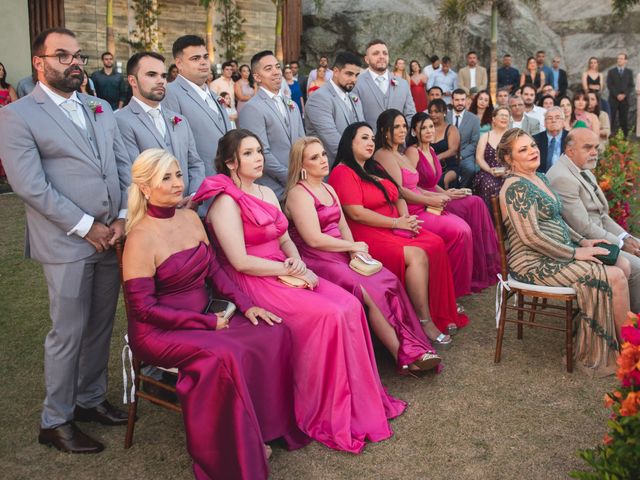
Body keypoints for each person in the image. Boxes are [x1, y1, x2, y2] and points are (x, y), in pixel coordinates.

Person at [194, 129, 407, 453]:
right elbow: (239, 261)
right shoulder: (224, 203)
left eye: (258, 151)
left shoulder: (266, 192)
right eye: (248, 153)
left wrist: (297, 262)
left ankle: (360, 403)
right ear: (230, 163)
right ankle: (325, 409)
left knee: (349, 304)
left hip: (287, 269)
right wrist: (286, 269)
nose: (258, 158)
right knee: (329, 315)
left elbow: (284, 237)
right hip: (256, 280)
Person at [122, 149, 308, 479]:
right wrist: (206, 322)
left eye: (178, 174)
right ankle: (239, 449)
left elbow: (216, 272)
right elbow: (143, 309)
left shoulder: (191, 217)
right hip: (160, 331)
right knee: (226, 354)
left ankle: (269, 428)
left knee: (272, 331)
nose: (178, 183)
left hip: (208, 316)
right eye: (166, 177)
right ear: (145, 188)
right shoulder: (139, 237)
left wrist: (249, 306)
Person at [0, 28, 131, 453]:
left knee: (100, 327)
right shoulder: (17, 115)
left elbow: (121, 165)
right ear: (39, 62)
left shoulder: (100, 107)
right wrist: (85, 225)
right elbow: (30, 186)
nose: (74, 62)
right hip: (67, 242)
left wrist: (124, 217)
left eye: (78, 55)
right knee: (68, 333)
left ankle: (91, 400)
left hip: (111, 236)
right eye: (62, 56)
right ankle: (55, 421)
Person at [284, 137, 442, 371]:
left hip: (342, 251)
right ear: (302, 164)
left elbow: (343, 226)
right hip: (318, 257)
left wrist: (354, 251)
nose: (322, 161)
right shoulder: (299, 194)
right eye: (314, 158)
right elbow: (313, 239)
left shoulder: (328, 188)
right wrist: (352, 247)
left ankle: (415, 345)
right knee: (369, 291)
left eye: (323, 155)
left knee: (388, 279)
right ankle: (406, 356)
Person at [499, 128, 631, 376]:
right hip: (533, 263)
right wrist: (575, 254)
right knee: (614, 276)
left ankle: (615, 340)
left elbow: (558, 221)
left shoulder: (540, 178)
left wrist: (582, 242)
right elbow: (532, 237)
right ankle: (628, 351)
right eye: (523, 149)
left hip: (558, 252)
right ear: (509, 159)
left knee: (621, 264)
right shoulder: (515, 187)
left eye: (532, 146)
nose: (532, 151)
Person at [328, 122, 467, 339]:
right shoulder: (342, 172)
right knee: (417, 254)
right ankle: (423, 321)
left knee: (436, 243)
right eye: (364, 138)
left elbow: (399, 195)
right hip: (367, 232)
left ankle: (440, 310)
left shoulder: (374, 167)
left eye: (371, 139)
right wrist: (395, 224)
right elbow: (355, 213)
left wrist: (405, 218)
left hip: (395, 224)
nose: (370, 143)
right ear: (349, 141)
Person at [374, 109, 473, 298]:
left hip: (422, 205)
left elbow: (416, 186)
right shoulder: (384, 155)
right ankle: (446, 292)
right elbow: (400, 192)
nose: (402, 130)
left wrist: (439, 196)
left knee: (463, 228)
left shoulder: (401, 154)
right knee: (458, 231)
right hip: (411, 211)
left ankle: (454, 289)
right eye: (397, 127)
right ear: (385, 131)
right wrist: (430, 199)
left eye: (404, 125)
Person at [547, 128, 640, 313]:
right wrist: (621, 245)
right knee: (638, 268)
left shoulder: (583, 169)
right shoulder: (562, 177)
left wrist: (626, 237)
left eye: (596, 147)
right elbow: (584, 228)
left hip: (600, 236)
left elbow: (602, 215)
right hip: (582, 244)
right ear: (570, 150)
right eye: (588, 147)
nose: (594, 152)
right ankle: (632, 325)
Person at [407, 112, 500, 293]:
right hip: (424, 201)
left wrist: (450, 192)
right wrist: (438, 197)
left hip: (438, 195)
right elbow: (412, 186)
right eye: (423, 128)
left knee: (476, 202)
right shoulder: (412, 152)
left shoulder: (432, 150)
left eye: (430, 127)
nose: (428, 131)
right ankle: (461, 279)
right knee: (469, 213)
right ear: (414, 132)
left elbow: (434, 184)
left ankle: (482, 266)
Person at [116, 51, 205, 204]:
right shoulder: (120, 120)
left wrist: (194, 197)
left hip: (189, 209)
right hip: (150, 213)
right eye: (152, 75)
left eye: (163, 76)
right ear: (132, 80)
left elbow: (195, 163)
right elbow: (130, 174)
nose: (160, 81)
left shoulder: (180, 120)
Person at [237, 50, 305, 200]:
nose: (276, 72)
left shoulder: (291, 104)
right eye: (268, 69)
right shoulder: (252, 108)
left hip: (300, 185)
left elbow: (302, 142)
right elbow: (261, 153)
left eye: (277, 67)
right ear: (256, 77)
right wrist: (290, 177)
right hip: (272, 189)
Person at [163, 35, 232, 179]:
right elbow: (175, 147)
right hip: (198, 183)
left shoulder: (214, 95)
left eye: (205, 57)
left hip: (226, 179)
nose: (203, 62)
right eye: (195, 58)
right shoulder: (170, 93)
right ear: (179, 63)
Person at [304, 51, 365, 166]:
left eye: (356, 75)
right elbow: (332, 139)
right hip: (330, 168)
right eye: (349, 74)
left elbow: (362, 131)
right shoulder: (319, 98)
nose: (354, 79)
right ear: (336, 72)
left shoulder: (354, 97)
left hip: (356, 166)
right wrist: (360, 160)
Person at [352, 39, 416, 128]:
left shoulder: (403, 84)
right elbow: (355, 117)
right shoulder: (356, 83)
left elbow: (410, 115)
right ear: (367, 59)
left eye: (385, 53)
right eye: (376, 53)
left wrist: (403, 135)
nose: (381, 56)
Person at [472, 106, 511, 207]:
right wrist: (490, 170)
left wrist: (510, 170)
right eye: (502, 115)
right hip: (488, 171)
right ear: (494, 119)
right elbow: (479, 158)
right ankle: (490, 220)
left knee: (511, 184)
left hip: (510, 171)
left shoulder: (513, 136)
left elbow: (519, 157)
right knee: (488, 184)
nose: (504, 118)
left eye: (507, 116)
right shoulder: (486, 136)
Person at [447, 89, 481, 188]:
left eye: (462, 100)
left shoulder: (474, 119)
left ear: (466, 100)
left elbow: (474, 142)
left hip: (465, 154)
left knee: (470, 170)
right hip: (447, 154)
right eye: (457, 100)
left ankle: (462, 191)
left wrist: (461, 155)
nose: (460, 103)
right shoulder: (445, 116)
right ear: (452, 100)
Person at [428, 98, 460, 189]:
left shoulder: (451, 129)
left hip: (449, 167)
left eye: (436, 112)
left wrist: (436, 158)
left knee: (442, 180)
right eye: (431, 112)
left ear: (444, 112)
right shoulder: (427, 129)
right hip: (430, 166)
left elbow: (453, 150)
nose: (433, 114)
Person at [606, 53, 635, 138]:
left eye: (621, 59)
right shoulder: (611, 71)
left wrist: (624, 95)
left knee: (624, 120)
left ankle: (625, 138)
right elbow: (609, 85)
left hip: (625, 100)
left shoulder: (629, 72)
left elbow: (631, 85)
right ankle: (608, 137)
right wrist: (617, 95)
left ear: (626, 61)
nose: (619, 60)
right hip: (613, 99)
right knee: (611, 119)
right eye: (618, 58)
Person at [533, 106, 569, 173]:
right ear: (544, 123)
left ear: (563, 122)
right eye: (549, 118)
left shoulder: (571, 138)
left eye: (557, 118)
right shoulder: (535, 140)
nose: (553, 120)